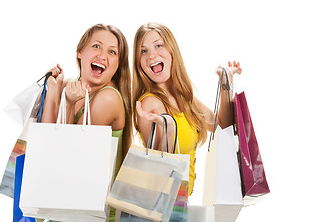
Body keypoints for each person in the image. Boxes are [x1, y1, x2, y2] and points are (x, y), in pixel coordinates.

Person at [133, 22, 242, 196]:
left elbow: (221, 126)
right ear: (138, 61)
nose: (151, 55)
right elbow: (161, 172)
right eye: (143, 50)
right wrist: (166, 127)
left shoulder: (182, 97)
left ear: (171, 51)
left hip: (179, 204)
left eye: (158, 45)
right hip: (164, 206)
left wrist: (225, 82)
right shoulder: (150, 104)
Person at [40, 23, 132, 222]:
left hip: (90, 214)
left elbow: (63, 156)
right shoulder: (69, 86)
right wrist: (53, 93)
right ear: (80, 52)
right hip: (63, 208)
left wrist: (68, 104)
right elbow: (46, 140)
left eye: (112, 52)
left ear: (117, 64)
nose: (103, 56)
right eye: (96, 46)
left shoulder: (108, 99)